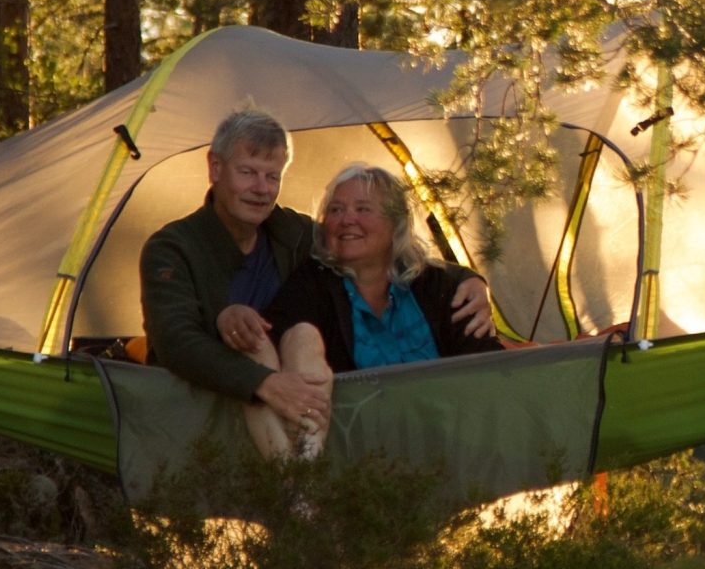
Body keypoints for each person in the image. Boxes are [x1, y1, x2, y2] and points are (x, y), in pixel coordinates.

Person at [140, 108, 494, 458]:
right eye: (247, 172)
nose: (261, 189)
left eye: (272, 176)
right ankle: (295, 479)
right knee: (260, 340)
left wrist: (472, 280)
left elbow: (370, 247)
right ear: (216, 168)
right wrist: (261, 382)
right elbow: (176, 342)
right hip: (208, 407)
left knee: (301, 337)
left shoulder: (293, 233)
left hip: (289, 401)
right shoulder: (173, 248)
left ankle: (300, 474)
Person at [218, 162, 504, 458]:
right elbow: (271, 338)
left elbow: (490, 366)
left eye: (363, 209)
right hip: (360, 453)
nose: (346, 220)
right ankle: (299, 474)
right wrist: (232, 316)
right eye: (336, 210)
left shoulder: (436, 285)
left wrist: (475, 279)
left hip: (451, 444)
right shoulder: (314, 283)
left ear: (396, 223)